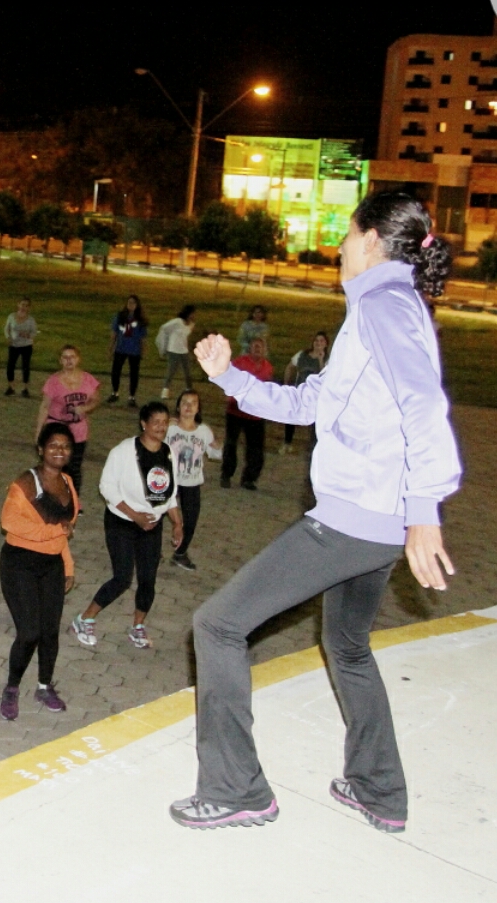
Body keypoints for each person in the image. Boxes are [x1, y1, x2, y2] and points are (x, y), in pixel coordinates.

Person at [172, 191, 460, 833]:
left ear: (370, 241)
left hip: (358, 519)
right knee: (347, 644)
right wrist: (230, 378)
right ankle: (379, 791)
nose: (336, 247)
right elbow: (312, 404)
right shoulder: (387, 309)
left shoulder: (383, 306)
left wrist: (425, 509)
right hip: (377, 524)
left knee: (217, 626)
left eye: (345, 233)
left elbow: (423, 404)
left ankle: (236, 789)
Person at [70, 402, 183, 650]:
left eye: (165, 423)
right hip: (121, 521)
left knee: (147, 579)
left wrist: (177, 523)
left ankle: (138, 626)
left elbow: (170, 493)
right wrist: (135, 515)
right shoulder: (124, 451)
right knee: (122, 577)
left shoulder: (168, 454)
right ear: (143, 423)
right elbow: (106, 487)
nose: (161, 427)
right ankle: (85, 618)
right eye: (156, 422)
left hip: (152, 526)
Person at [0, 422, 78, 717]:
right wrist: (52, 531)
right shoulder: (25, 483)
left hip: (51, 566)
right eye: (54, 445)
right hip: (19, 564)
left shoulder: (68, 484)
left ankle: (44, 686)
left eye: (66, 446)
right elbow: (10, 523)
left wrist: (67, 564)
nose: (60, 451)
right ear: (41, 449)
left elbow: (65, 533)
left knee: (50, 632)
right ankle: (11, 688)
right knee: (29, 632)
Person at [35, 345, 102, 498]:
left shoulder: (87, 379)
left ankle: (74, 501)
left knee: (75, 467)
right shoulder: (53, 382)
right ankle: (54, 498)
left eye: (72, 357)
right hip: (57, 427)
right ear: (60, 361)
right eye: (65, 357)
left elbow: (96, 399)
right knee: (57, 465)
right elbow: (44, 406)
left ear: (78, 359)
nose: (69, 361)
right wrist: (39, 432)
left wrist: (85, 408)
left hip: (78, 429)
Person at [165, 389, 221, 571]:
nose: (188, 406)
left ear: (198, 408)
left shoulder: (204, 431)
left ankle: (180, 553)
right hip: (168, 480)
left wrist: (218, 445)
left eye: (193, 403)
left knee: (191, 520)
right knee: (155, 515)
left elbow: (216, 454)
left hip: (191, 482)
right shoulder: (169, 428)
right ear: (178, 407)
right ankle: (148, 549)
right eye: (184, 402)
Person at [220, 337, 273, 490]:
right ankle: (226, 474)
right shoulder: (239, 363)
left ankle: (249, 478)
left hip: (255, 413)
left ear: (264, 350)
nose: (257, 349)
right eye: (255, 346)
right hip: (236, 410)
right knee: (231, 444)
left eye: (260, 347)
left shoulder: (267, 367)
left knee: (256, 448)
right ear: (249, 348)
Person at [282, 332, 329, 454]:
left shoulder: (328, 359)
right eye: (316, 340)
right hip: (300, 391)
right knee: (291, 417)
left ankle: (314, 446)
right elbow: (290, 366)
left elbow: (324, 375)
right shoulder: (302, 355)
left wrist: (320, 359)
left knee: (315, 422)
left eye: (321, 341)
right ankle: (287, 443)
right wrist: (287, 384)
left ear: (326, 344)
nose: (318, 343)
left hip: (316, 396)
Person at [108, 294, 148, 406]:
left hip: (134, 350)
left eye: (133, 303)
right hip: (121, 348)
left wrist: (143, 350)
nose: (131, 305)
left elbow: (143, 337)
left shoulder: (140, 320)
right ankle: (115, 392)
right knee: (115, 372)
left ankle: (132, 396)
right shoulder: (120, 316)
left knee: (134, 374)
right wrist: (111, 348)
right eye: (129, 302)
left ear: (137, 305)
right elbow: (114, 333)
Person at [155, 304, 197, 399]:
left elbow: (186, 336)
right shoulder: (177, 322)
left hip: (183, 350)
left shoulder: (191, 324)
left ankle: (189, 390)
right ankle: (165, 391)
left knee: (187, 372)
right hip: (173, 350)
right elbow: (164, 328)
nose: (194, 315)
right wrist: (165, 343)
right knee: (171, 371)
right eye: (193, 313)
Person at [4, 297, 37, 397]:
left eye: (26, 306)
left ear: (29, 308)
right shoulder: (11, 316)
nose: (24, 307)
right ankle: (11, 387)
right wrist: (8, 337)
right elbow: (6, 328)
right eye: (22, 305)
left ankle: (25, 389)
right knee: (10, 366)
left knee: (25, 367)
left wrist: (27, 335)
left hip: (26, 346)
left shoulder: (31, 320)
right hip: (14, 345)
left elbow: (34, 332)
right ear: (18, 305)